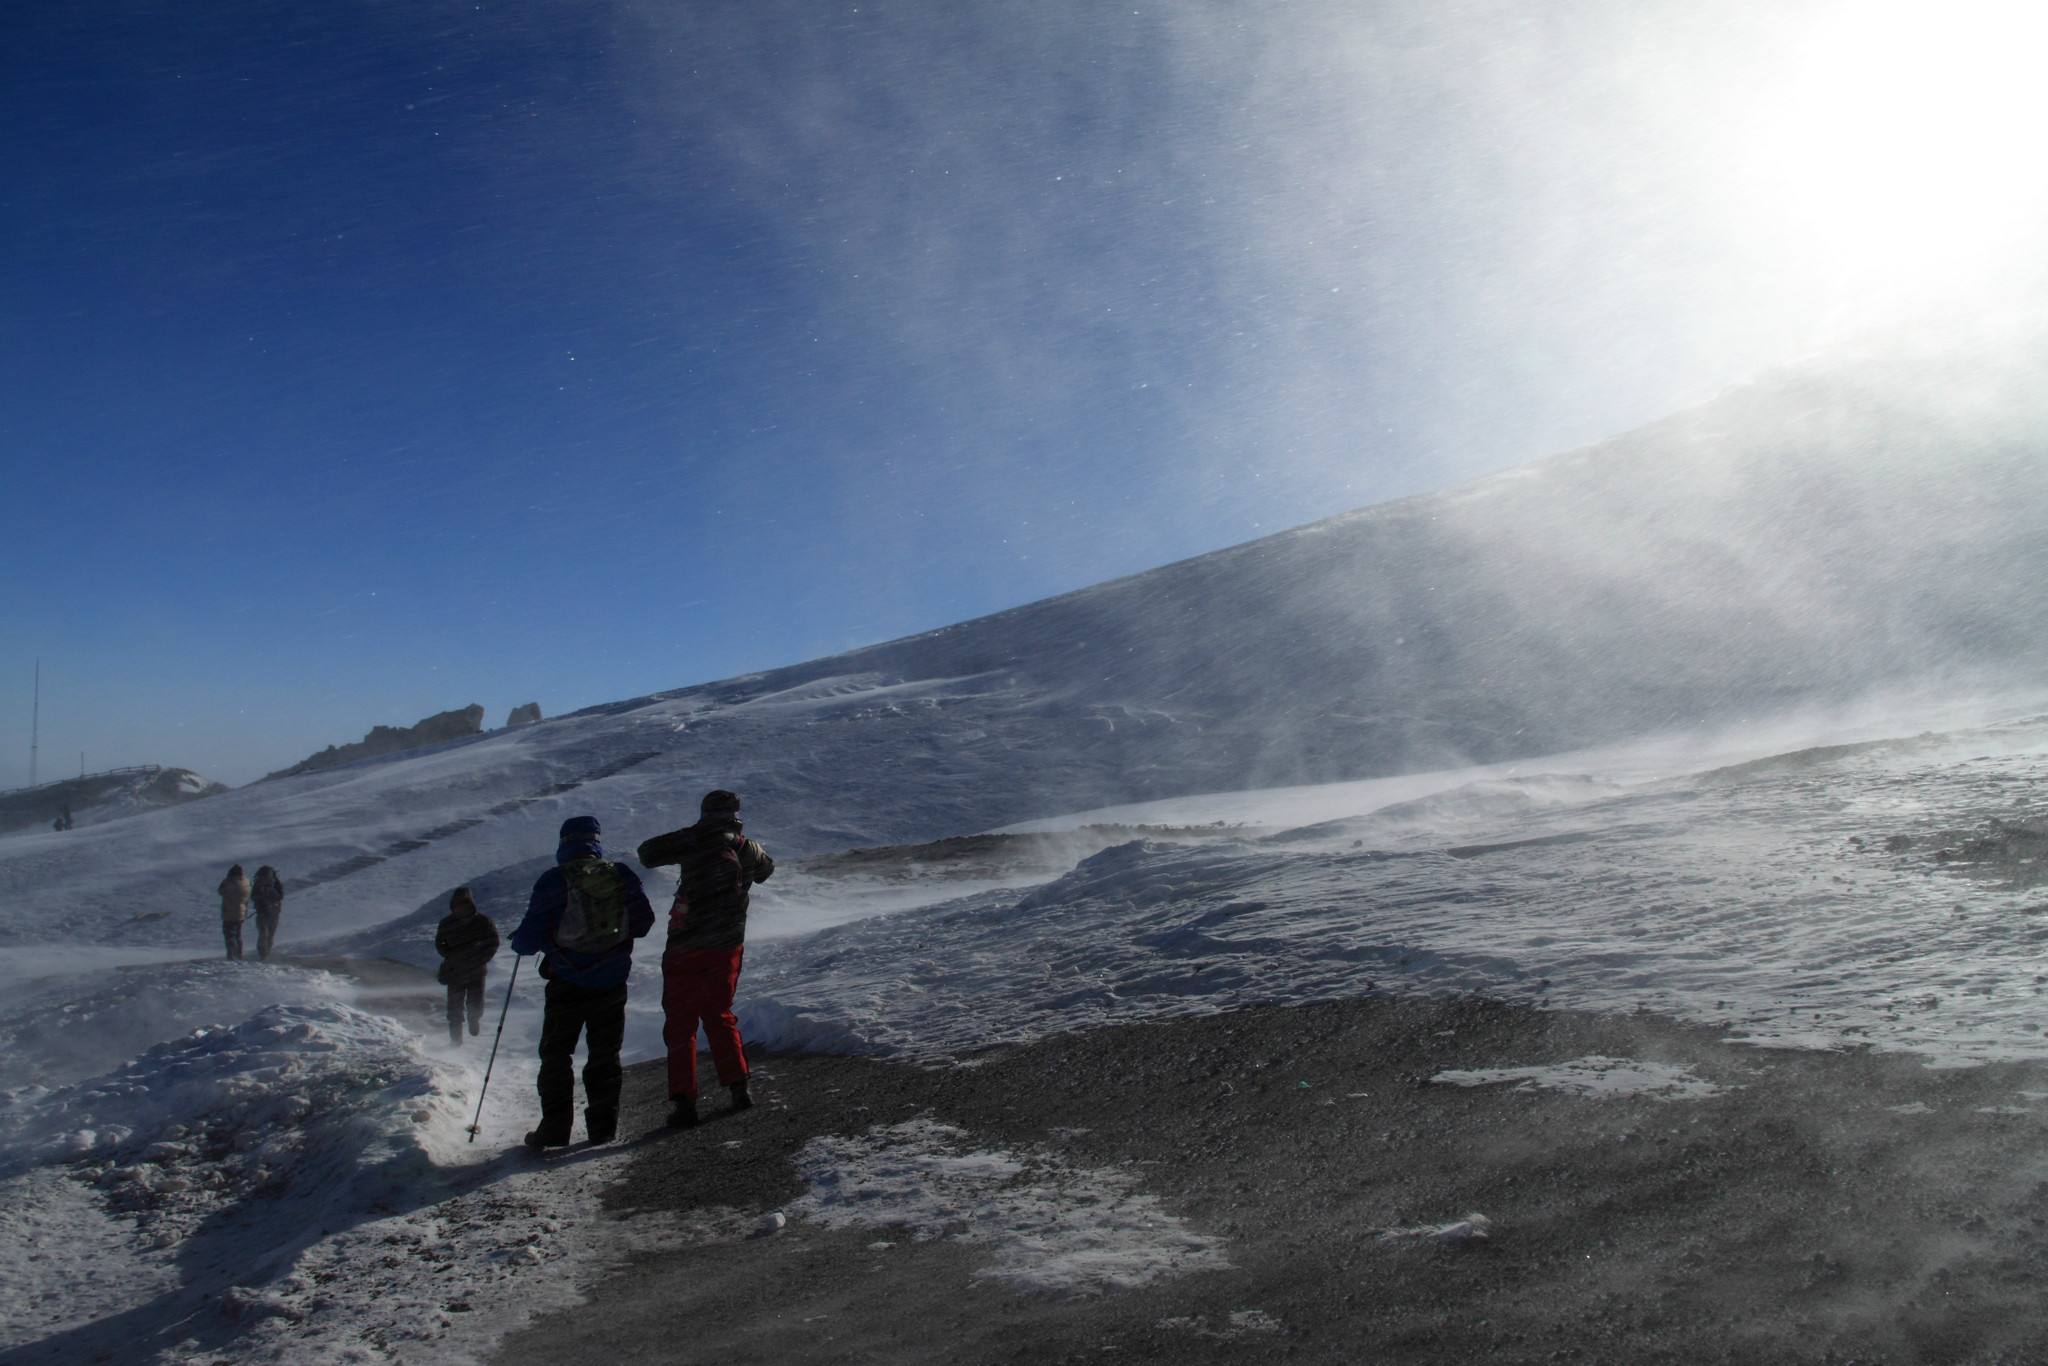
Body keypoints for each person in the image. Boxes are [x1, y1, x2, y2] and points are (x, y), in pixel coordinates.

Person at [509, 816, 654, 1148]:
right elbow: (644, 922)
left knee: (557, 1054)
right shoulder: (620, 875)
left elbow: (528, 941)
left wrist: (529, 942)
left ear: (564, 843)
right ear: (596, 842)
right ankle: (603, 1127)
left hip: (566, 982)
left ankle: (555, 1128)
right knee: (604, 1053)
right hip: (612, 980)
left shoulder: (553, 881)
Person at [638, 789, 775, 1129]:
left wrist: (692, 838)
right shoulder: (747, 847)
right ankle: (738, 1088)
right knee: (720, 1015)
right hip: (726, 946)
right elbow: (765, 871)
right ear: (735, 813)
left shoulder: (692, 839)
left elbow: (647, 854)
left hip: (685, 945)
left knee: (682, 1025)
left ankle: (685, 1103)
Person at [435, 886, 500, 1047]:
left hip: (476, 970)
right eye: (457, 905)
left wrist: (482, 958)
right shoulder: (446, 923)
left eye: (463, 904)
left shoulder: (483, 922)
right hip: (454, 971)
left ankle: (474, 1020)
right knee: (454, 1009)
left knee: (475, 1003)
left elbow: (493, 942)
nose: (460, 908)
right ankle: (455, 1040)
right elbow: (440, 943)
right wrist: (451, 956)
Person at [251, 866, 285, 961]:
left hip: (273, 913)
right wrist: (261, 895)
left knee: (270, 936)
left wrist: (269, 891)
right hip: (263, 913)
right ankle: (262, 955)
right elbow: (253, 897)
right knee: (264, 934)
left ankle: (266, 954)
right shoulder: (258, 885)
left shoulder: (275, 884)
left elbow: (280, 896)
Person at [218, 864, 251, 961]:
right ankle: (239, 954)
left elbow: (221, 891)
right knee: (238, 934)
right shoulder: (246, 882)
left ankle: (232, 955)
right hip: (241, 911)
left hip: (230, 912)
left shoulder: (231, 883)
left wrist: (225, 882)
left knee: (230, 934)